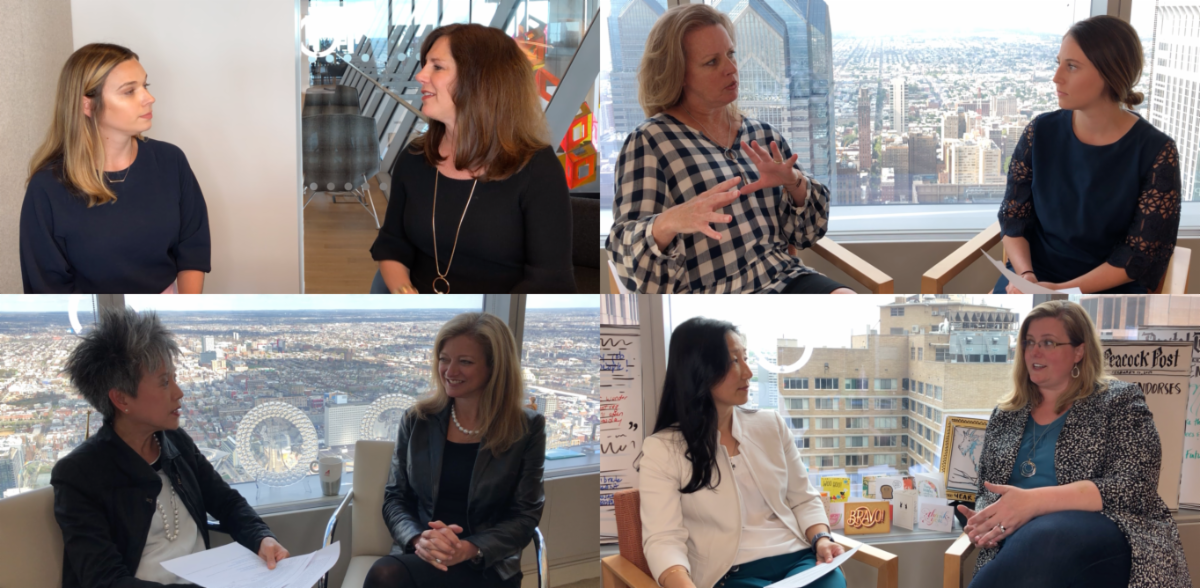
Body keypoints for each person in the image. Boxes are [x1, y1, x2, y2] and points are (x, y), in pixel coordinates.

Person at [605, 4, 852, 294]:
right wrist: (669, 221)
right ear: (679, 73)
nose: (732, 68)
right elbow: (628, 262)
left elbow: (808, 232)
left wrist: (794, 183)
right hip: (714, 292)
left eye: (731, 54)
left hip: (784, 277)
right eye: (712, 62)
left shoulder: (762, 135)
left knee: (846, 298)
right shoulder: (650, 142)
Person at [958, 300, 1191, 588]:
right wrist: (986, 521)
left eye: (1048, 342)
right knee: (1033, 545)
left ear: (1079, 351)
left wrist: (1033, 503)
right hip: (1018, 547)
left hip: (1105, 540)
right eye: (1029, 342)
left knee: (1045, 535)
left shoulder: (1119, 400)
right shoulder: (1005, 414)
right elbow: (988, 489)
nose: (1034, 351)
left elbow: (1136, 488)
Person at [51, 308, 287, 587]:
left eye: (174, 378)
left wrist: (261, 537)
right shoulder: (79, 474)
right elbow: (105, 580)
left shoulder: (177, 442)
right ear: (121, 399)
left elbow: (227, 502)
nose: (178, 392)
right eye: (165, 382)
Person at [639, 317, 845, 588]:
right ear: (698, 369)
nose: (747, 372)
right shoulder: (662, 449)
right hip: (728, 575)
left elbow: (803, 499)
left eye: (745, 358)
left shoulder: (770, 425)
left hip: (799, 560)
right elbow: (663, 539)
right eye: (733, 361)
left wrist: (821, 539)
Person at [370, 24, 575, 294]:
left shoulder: (538, 168)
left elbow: (549, 281)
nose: (420, 75)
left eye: (437, 67)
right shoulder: (414, 158)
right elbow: (392, 244)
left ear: (479, 81)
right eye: (424, 64)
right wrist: (404, 293)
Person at [996, 16, 1180, 294]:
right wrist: (1025, 275)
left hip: (1107, 290)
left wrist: (1060, 292)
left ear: (1110, 73)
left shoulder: (1157, 152)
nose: (1056, 77)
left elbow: (1139, 255)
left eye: (1071, 66)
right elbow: (1014, 218)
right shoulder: (1039, 131)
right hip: (1031, 277)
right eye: (1059, 63)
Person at [366, 312, 546, 588]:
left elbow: (525, 516)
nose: (450, 372)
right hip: (424, 552)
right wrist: (419, 539)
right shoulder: (417, 420)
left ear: (495, 367)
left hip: (487, 561)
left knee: (388, 576)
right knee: (386, 574)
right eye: (444, 359)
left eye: (465, 362)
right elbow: (395, 498)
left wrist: (466, 549)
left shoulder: (527, 428)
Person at [21, 43, 211, 294]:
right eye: (129, 91)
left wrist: (184, 311)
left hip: (167, 312)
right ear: (87, 105)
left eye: (145, 86)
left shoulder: (170, 161)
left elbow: (192, 249)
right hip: (90, 317)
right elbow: (46, 287)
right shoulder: (48, 187)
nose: (149, 98)